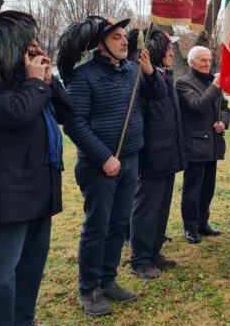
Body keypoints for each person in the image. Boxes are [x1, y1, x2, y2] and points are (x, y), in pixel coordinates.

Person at [0, 11, 74, 326]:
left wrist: (50, 80)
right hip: (8, 194)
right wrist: (36, 83)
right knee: (1, 273)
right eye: (27, 45)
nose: (33, 51)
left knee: (30, 268)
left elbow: (67, 113)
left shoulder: (28, 83)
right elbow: (17, 114)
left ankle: (23, 320)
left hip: (40, 189)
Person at [59, 17, 166, 316]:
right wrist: (104, 157)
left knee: (119, 223)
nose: (124, 41)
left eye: (124, 36)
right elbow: (73, 123)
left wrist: (150, 73)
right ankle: (89, 287)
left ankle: (108, 279)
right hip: (98, 165)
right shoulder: (83, 77)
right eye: (117, 37)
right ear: (100, 44)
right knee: (98, 226)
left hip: (130, 159)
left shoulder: (133, 70)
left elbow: (158, 94)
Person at [127, 29, 183, 279]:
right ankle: (140, 258)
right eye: (168, 47)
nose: (172, 52)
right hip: (151, 156)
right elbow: (137, 120)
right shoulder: (141, 78)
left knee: (161, 208)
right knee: (146, 209)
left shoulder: (163, 76)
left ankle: (154, 250)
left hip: (167, 155)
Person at [177, 46, 230, 244]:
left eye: (209, 59)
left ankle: (202, 222)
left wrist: (223, 122)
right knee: (193, 189)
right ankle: (190, 226)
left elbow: (224, 107)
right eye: (203, 60)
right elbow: (198, 105)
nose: (208, 63)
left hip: (213, 145)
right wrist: (215, 86)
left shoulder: (210, 81)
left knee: (208, 187)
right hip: (195, 146)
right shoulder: (183, 84)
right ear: (192, 63)